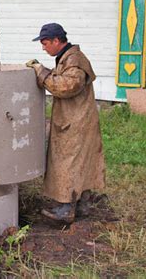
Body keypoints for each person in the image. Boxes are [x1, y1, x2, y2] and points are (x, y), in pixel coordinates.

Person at [25, 23, 106, 223]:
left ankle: (66, 209)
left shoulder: (75, 61)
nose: (43, 48)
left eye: (45, 43)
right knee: (81, 162)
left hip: (76, 122)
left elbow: (67, 86)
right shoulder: (67, 58)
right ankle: (82, 204)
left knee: (67, 163)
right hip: (76, 120)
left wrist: (41, 72)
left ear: (56, 41)